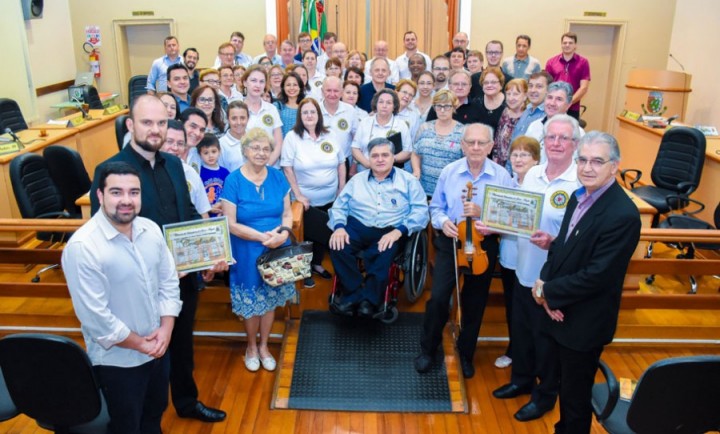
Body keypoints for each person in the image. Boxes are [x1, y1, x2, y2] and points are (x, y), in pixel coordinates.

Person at [90, 95, 226, 423]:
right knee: (148, 356)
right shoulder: (111, 171)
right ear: (130, 125)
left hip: (180, 278)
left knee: (181, 345)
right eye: (148, 123)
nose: (155, 130)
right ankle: (147, 421)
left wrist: (208, 254)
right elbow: (102, 231)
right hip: (139, 286)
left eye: (161, 123)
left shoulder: (175, 164)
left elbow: (188, 213)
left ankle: (186, 401)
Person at [533, 131, 641, 433]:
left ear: (614, 166)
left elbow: (598, 276)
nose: (587, 167)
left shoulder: (623, 215)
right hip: (558, 311)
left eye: (597, 161)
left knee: (575, 400)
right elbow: (565, 248)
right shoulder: (578, 196)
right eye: (582, 160)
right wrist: (548, 292)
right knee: (555, 380)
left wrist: (547, 292)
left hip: (583, 323)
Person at [64, 162, 182, 434]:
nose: (127, 201)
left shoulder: (150, 229)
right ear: (100, 196)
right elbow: (97, 318)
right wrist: (142, 344)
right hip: (119, 361)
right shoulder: (84, 247)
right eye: (116, 192)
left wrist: (166, 330)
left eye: (134, 192)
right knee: (126, 426)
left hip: (158, 350)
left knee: (154, 415)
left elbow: (168, 281)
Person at [492, 115, 582, 423]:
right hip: (524, 269)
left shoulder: (579, 181)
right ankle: (521, 380)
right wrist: (492, 221)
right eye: (551, 138)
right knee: (523, 331)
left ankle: (544, 397)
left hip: (553, 277)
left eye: (563, 138)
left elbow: (581, 236)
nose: (556, 143)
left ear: (575, 144)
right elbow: (519, 212)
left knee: (546, 341)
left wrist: (554, 242)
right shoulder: (532, 173)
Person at [415, 123, 513, 379]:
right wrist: (442, 223)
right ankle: (428, 349)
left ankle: (465, 353)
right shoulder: (450, 171)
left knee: (475, 302)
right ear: (462, 145)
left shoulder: (502, 176)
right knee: (438, 298)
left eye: (482, 143)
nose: (476, 147)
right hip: (451, 242)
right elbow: (436, 207)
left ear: (491, 146)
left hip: (482, 244)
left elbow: (508, 217)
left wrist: (485, 216)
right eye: (470, 142)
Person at [221, 128, 297, 372]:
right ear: (244, 150)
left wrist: (283, 234)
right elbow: (230, 223)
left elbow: (287, 212)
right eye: (256, 148)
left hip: (277, 247)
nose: (261, 153)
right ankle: (251, 346)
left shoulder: (277, 177)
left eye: (266, 148)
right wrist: (262, 237)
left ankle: (264, 346)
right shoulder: (233, 180)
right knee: (252, 300)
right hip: (246, 249)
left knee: (271, 299)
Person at [328, 137, 429, 316]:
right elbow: (339, 206)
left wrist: (399, 231)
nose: (380, 159)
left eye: (385, 155)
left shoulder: (408, 181)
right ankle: (353, 294)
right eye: (375, 156)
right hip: (358, 225)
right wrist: (339, 227)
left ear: (393, 157)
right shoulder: (357, 180)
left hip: (391, 228)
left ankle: (369, 300)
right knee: (338, 245)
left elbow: (421, 211)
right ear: (369, 158)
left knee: (383, 253)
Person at [282, 98, 346, 287]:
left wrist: (341, 188)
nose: (309, 116)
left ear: (319, 115)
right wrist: (299, 195)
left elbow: (342, 162)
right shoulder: (292, 137)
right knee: (314, 235)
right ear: (300, 116)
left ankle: (317, 265)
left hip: (331, 198)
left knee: (320, 239)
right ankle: (304, 270)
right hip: (305, 201)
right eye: (305, 112)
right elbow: (287, 167)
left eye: (313, 112)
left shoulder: (330, 134)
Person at [494, 136, 541, 370]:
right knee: (513, 307)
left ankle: (532, 356)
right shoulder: (507, 182)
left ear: (536, 160)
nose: (518, 159)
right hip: (510, 255)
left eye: (525, 155)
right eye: (515, 154)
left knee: (533, 309)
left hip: (534, 259)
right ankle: (514, 350)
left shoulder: (540, 186)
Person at [411, 90, 465, 197]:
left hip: (450, 191)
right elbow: (415, 153)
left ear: (454, 107)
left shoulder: (463, 131)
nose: (442, 110)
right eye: (438, 106)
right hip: (423, 190)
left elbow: (467, 161)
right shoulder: (424, 127)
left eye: (447, 106)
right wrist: (416, 170)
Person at [161, 119, 212, 218]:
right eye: (169, 141)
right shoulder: (144, 172)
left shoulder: (190, 173)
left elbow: (204, 214)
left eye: (180, 143)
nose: (175, 148)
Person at [352, 89, 412, 170]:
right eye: (381, 102)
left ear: (394, 106)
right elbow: (355, 148)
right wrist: (368, 164)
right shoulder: (365, 122)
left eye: (388, 102)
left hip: (391, 171)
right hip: (365, 170)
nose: (384, 105)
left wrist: (391, 160)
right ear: (376, 104)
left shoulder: (401, 125)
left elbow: (407, 152)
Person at [525, 81, 584, 160]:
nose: (552, 103)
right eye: (549, 97)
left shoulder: (577, 132)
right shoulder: (534, 126)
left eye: (559, 99)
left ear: (568, 105)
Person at [242, 65, 283, 166]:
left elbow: (278, 143)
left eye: (261, 81)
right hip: (245, 167)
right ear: (245, 82)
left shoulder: (272, 109)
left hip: (270, 166)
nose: (257, 85)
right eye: (253, 80)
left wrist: (266, 165)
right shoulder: (238, 109)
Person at [545, 32, 591, 120]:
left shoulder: (583, 62)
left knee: (571, 133)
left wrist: (567, 103)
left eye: (570, 43)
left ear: (575, 45)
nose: (567, 45)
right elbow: (547, 86)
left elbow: (584, 87)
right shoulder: (551, 62)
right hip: (553, 107)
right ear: (561, 44)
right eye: (565, 43)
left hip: (573, 108)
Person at [320, 76, 359, 171]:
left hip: (345, 161)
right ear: (322, 91)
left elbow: (357, 140)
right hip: (320, 161)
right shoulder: (315, 110)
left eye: (336, 91)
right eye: (328, 90)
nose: (332, 94)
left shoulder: (350, 111)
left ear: (341, 92)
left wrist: (354, 164)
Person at [492, 78, 528, 170]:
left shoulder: (528, 116)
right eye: (508, 94)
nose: (511, 98)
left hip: (518, 166)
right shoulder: (505, 112)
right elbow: (498, 141)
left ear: (525, 96)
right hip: (500, 165)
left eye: (516, 94)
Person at [511, 70, 552, 141]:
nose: (533, 90)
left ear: (548, 90)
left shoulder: (548, 116)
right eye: (530, 86)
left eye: (539, 86)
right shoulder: (526, 111)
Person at [197, 133, 230, 217]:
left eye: (213, 151)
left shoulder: (225, 172)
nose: (210, 155)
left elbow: (229, 194)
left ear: (219, 151)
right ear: (200, 154)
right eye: (206, 153)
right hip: (205, 215)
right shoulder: (198, 173)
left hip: (222, 214)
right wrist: (208, 208)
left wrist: (222, 204)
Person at [219, 101, 250, 172]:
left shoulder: (256, 138)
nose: (239, 122)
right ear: (228, 119)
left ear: (248, 118)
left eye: (242, 118)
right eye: (234, 118)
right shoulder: (221, 144)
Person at [273, 71, 305, 137]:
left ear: (300, 87)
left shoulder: (305, 107)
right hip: (282, 145)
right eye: (288, 85)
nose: (291, 88)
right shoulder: (277, 106)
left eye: (295, 85)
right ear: (283, 87)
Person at [475, 66, 506, 131]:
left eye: (493, 82)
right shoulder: (476, 102)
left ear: (501, 85)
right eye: (486, 82)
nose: (489, 85)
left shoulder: (508, 103)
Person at [179, 107, 208, 172]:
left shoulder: (197, 154)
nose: (197, 133)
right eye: (193, 126)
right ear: (180, 124)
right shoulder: (168, 152)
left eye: (202, 130)